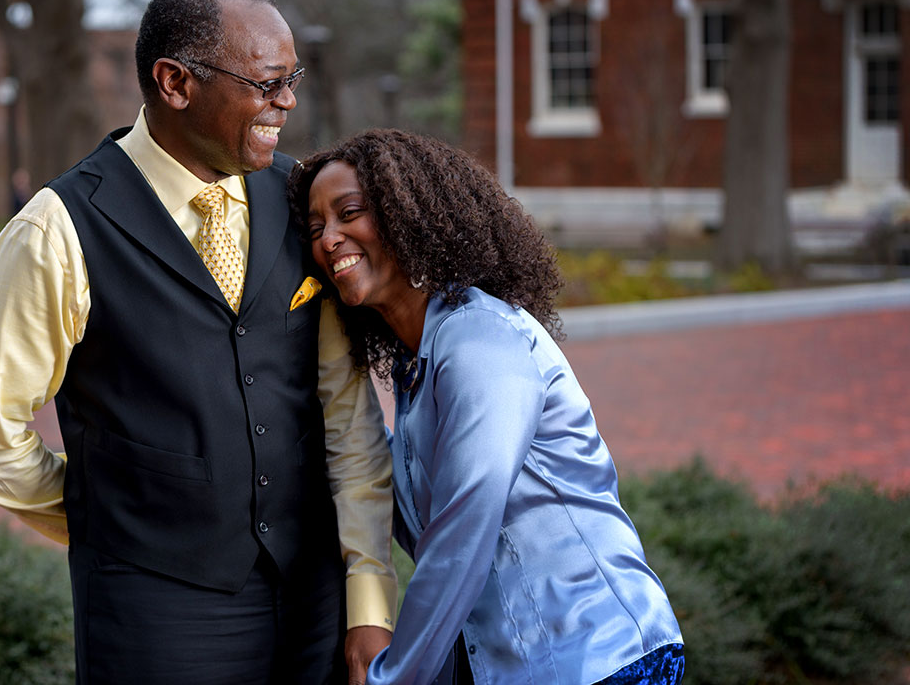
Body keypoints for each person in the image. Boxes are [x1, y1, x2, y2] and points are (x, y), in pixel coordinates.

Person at [0, 0, 397, 685]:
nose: (288, 100)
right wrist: (115, 521)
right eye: (267, 81)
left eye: (292, 77)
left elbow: (349, 418)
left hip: (316, 606)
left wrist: (369, 598)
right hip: (154, 622)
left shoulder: (303, 201)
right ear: (175, 82)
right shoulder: (57, 229)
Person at [289, 129, 685, 685]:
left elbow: (462, 528)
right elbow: (389, 499)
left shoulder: (479, 340)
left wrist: (394, 678)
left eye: (349, 212)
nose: (329, 239)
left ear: (409, 214)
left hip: (597, 659)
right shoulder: (415, 362)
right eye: (315, 227)